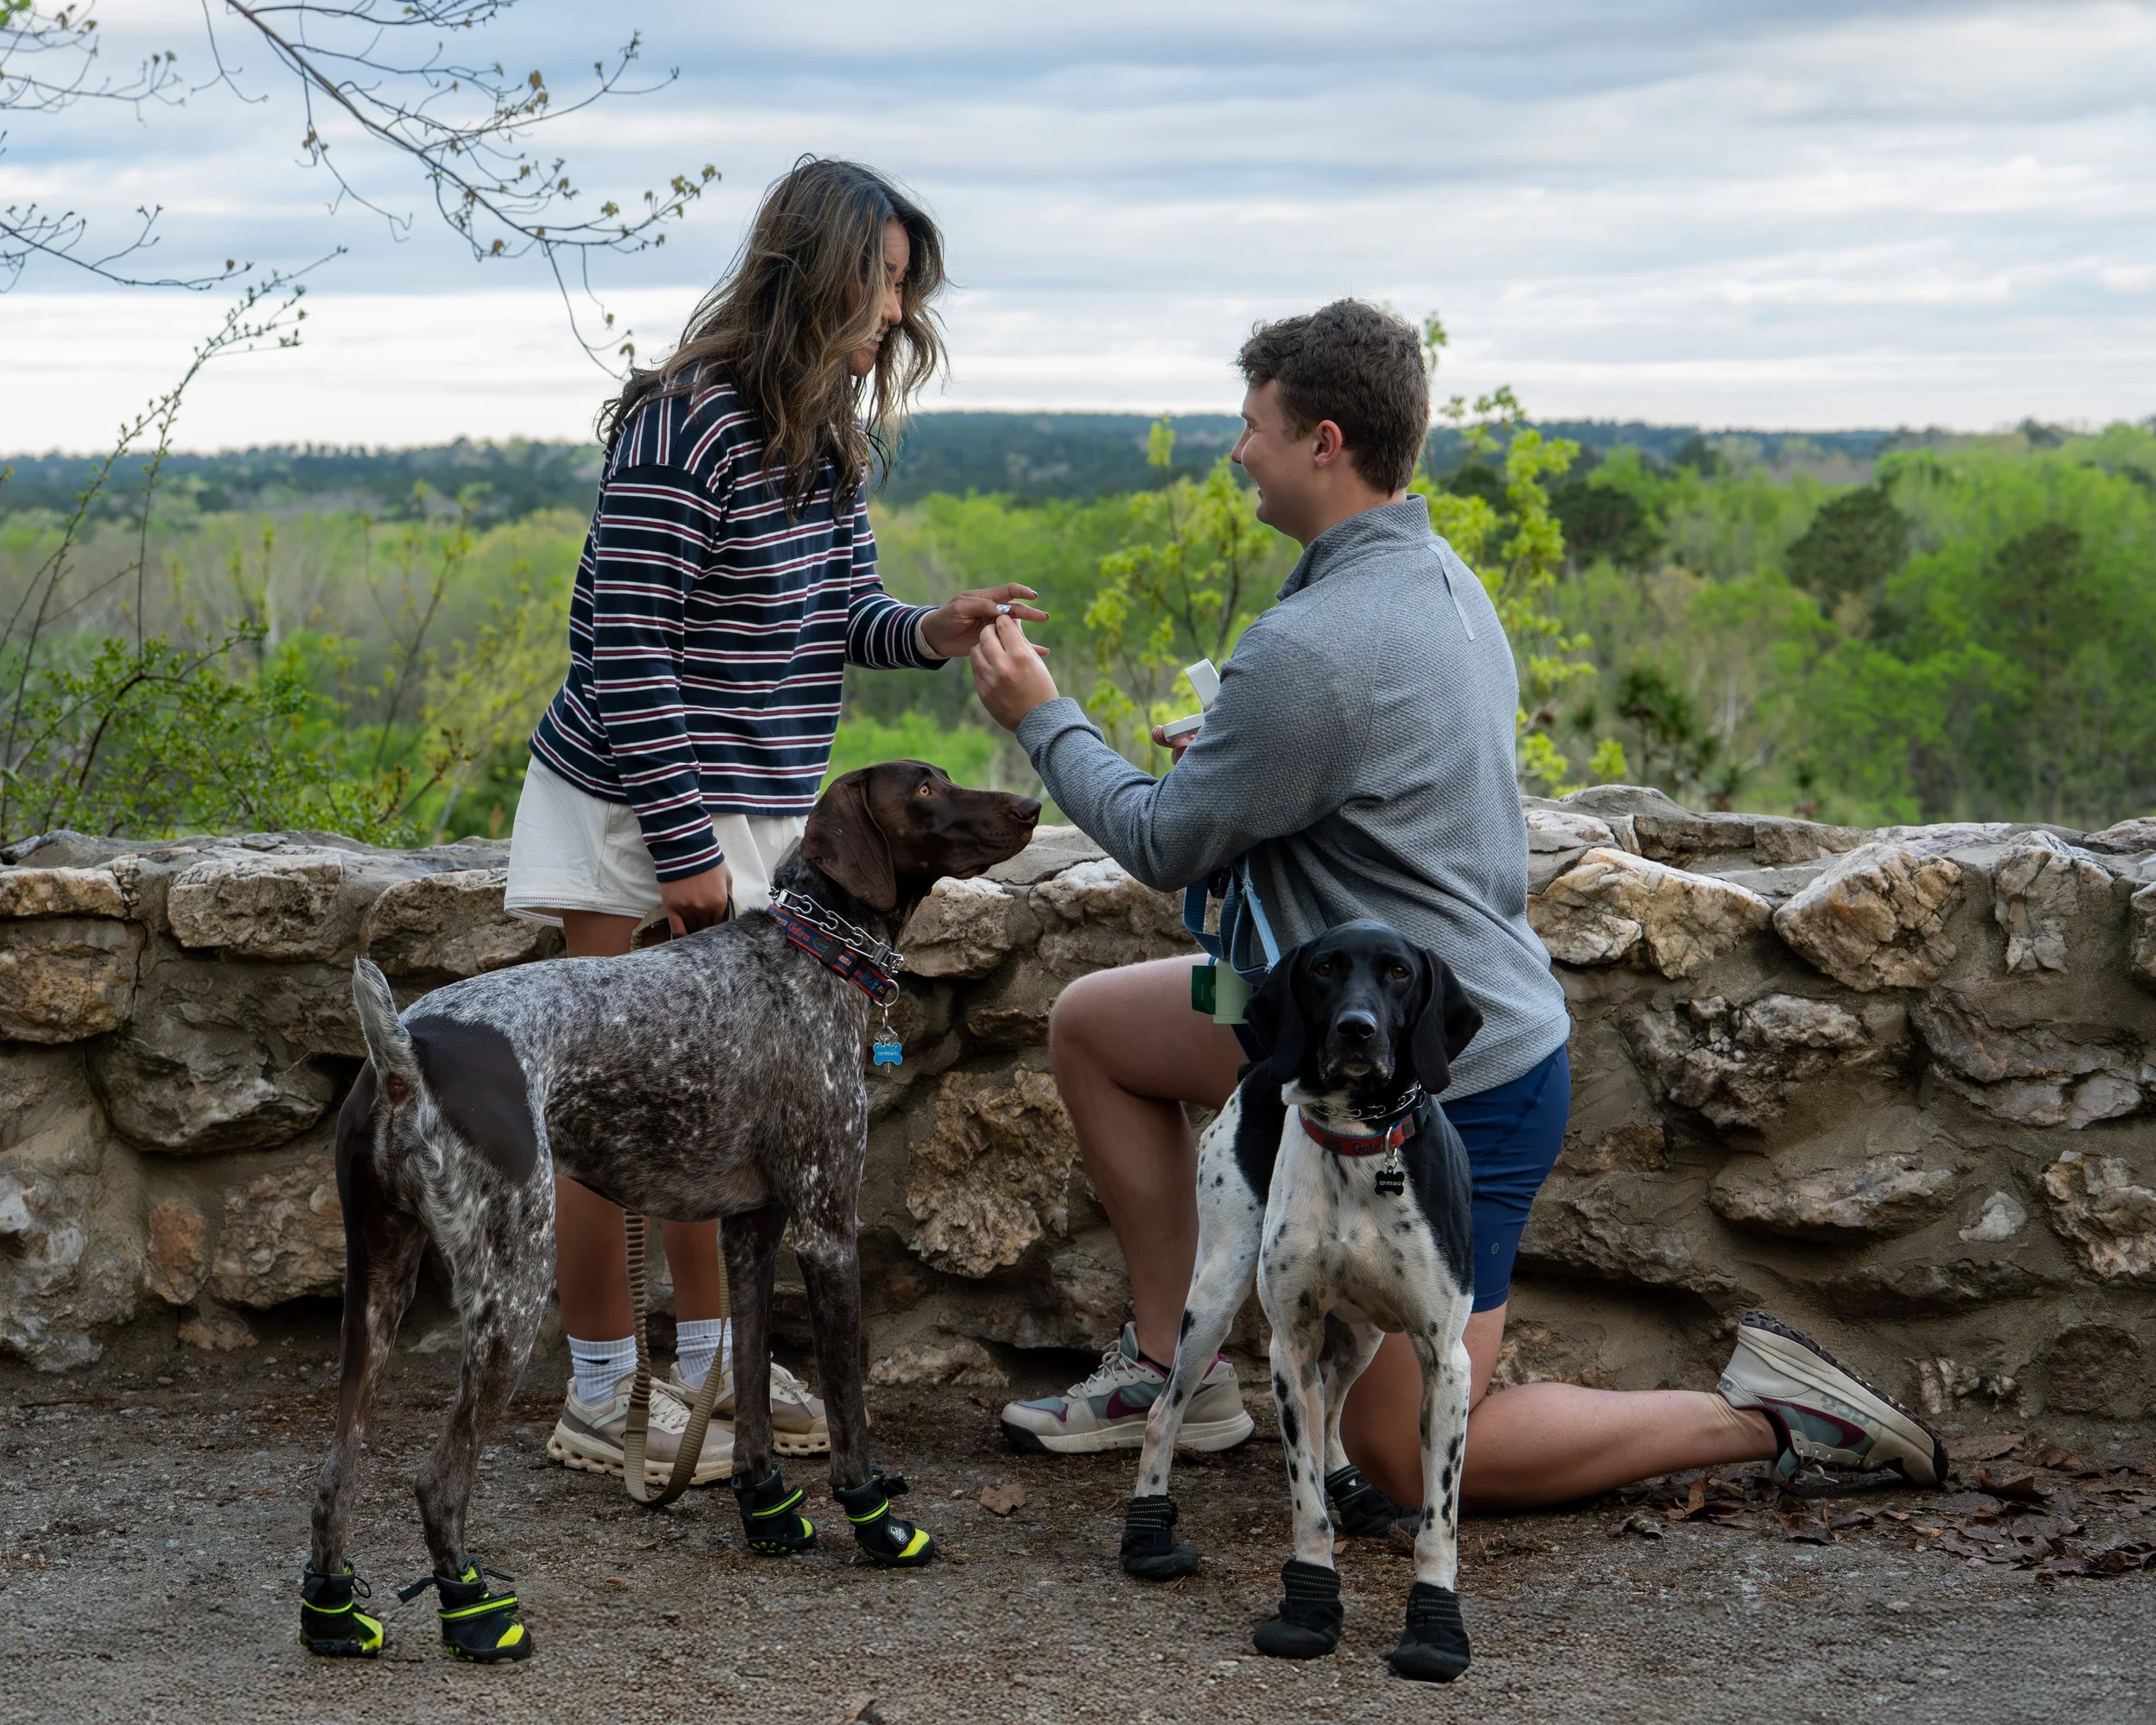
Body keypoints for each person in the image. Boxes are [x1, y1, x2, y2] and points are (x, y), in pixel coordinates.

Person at [968, 299, 1944, 1511]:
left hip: (1459, 1073)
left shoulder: (1314, 644)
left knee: (1407, 1463)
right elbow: (1356, 773)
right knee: (1096, 1028)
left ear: (1324, 442)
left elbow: (1166, 841)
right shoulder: (1438, 580)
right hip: (1340, 1025)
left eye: (1251, 427)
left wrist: (1039, 717)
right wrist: (1236, 751)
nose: (1237, 451)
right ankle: (1181, 1369)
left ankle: (1762, 1414)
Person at [505, 156, 1044, 1487]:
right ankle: (595, 1392)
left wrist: (934, 627)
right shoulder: (685, 424)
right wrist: (683, 849)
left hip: (752, 803)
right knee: (599, 1099)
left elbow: (838, 613)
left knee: (717, 1107)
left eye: (908, 290)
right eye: (881, 283)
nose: (894, 316)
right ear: (815, 272)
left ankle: (706, 1374)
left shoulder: (829, 431)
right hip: (634, 797)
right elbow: (626, 648)